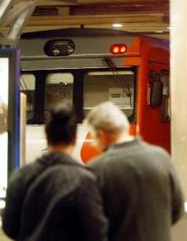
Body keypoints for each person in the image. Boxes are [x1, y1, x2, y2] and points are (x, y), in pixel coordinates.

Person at [2, 102, 108, 241]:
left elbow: (10, 227)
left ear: (47, 135)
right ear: (74, 139)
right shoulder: (85, 180)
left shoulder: (21, 176)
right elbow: (97, 232)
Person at [85, 101, 184, 241]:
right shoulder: (161, 157)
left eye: (94, 137)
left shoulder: (97, 169)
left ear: (102, 135)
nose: (95, 143)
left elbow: (91, 224)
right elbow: (177, 211)